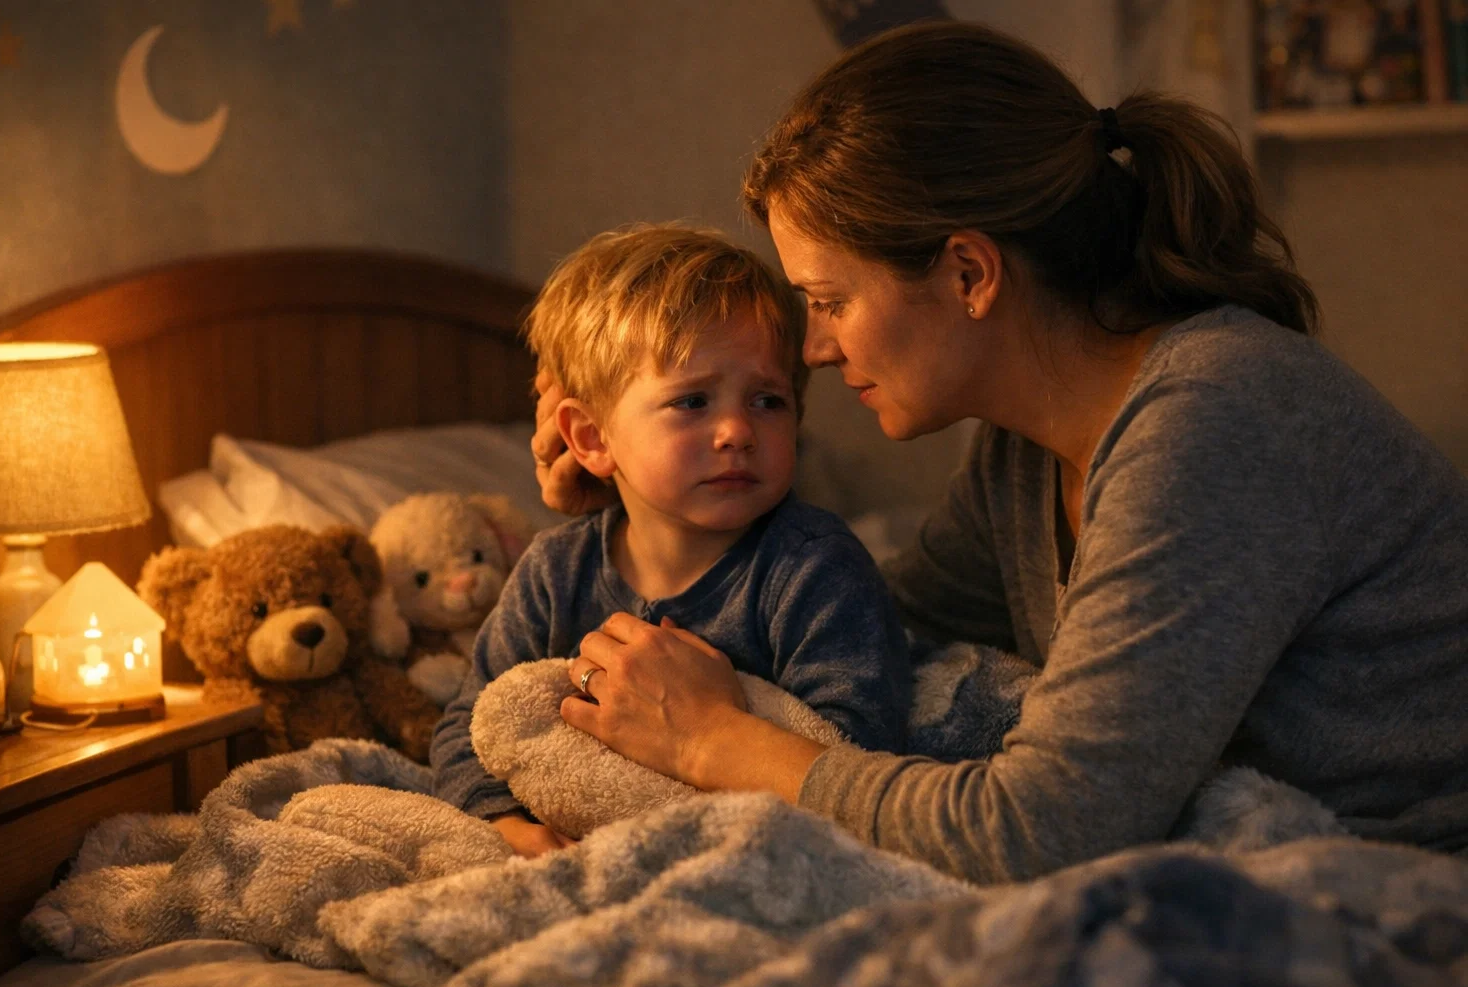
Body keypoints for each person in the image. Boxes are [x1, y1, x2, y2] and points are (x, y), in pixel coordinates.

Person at [532, 22, 1468, 882]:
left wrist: (714, 742)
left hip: (1414, 882)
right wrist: (647, 517)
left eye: (830, 300)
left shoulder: (1213, 421)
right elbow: (862, 629)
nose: (815, 348)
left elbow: (1041, 832)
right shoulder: (1021, 454)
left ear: (969, 273)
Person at [430, 224, 913, 857]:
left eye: (768, 399)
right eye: (692, 402)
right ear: (593, 438)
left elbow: (854, 753)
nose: (737, 429)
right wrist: (508, 827)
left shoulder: (813, 567)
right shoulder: (555, 572)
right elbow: (471, 726)